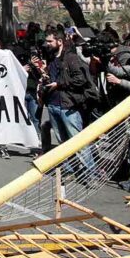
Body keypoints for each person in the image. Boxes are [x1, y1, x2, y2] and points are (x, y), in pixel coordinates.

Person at [40, 30, 95, 174]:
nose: (48, 44)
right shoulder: (52, 58)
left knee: (77, 141)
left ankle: (90, 172)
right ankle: (70, 170)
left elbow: (80, 79)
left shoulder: (71, 58)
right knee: (62, 142)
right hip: (53, 104)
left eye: (50, 41)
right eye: (47, 41)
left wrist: (59, 84)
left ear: (60, 41)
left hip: (67, 105)